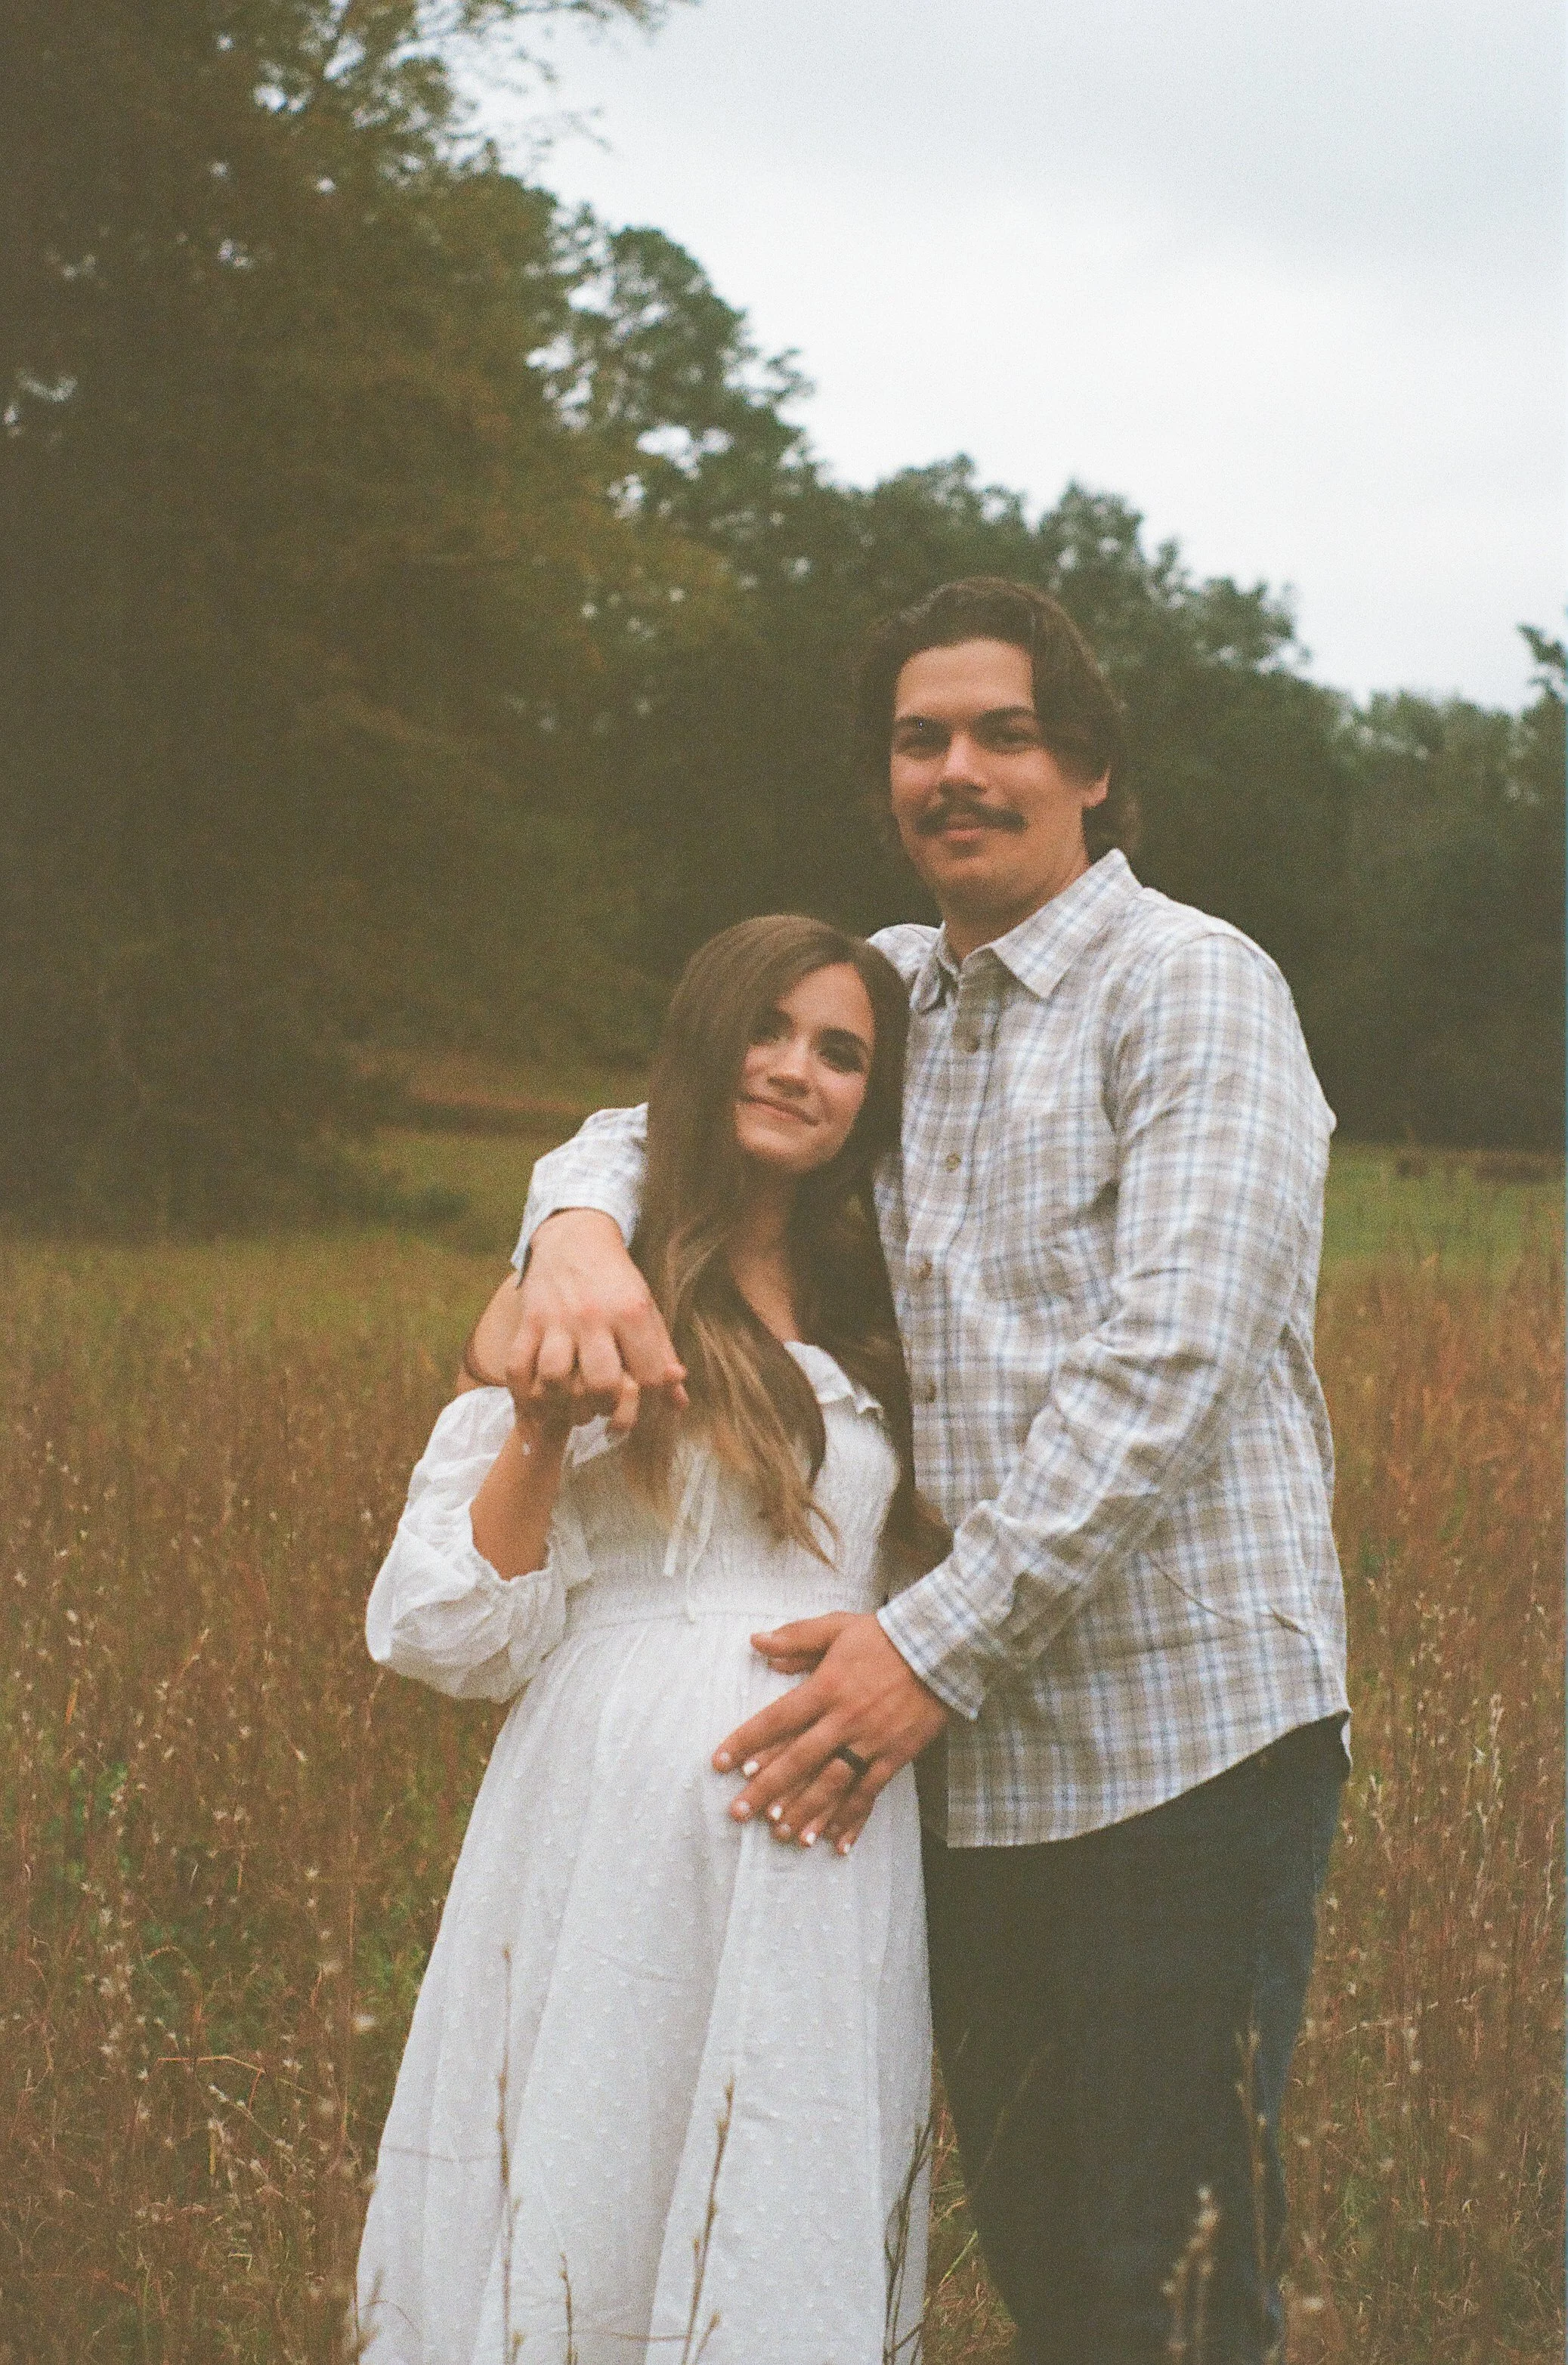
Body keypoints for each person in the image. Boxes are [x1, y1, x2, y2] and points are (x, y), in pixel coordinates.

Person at [481, 578, 1351, 2364]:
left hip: (1169, 1738)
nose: (954, 769)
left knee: (1162, 2282)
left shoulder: (1189, 986)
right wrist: (571, 1225)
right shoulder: (890, 995)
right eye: (916, 738)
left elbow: (1167, 1357)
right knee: (1040, 2262)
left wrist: (928, 1647)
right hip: (958, 1774)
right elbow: (679, 1096)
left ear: (1090, 767)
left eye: (1000, 733)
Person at [355, 917, 945, 2365]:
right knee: (592, 2166)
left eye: (840, 1050)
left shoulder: (883, 1309)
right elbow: (445, 1629)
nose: (796, 1069)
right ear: (705, 1042)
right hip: (615, 1805)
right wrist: (543, 1433)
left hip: (830, 1825)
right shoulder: (591, 1280)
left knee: (783, 2185)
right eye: (768, 1029)